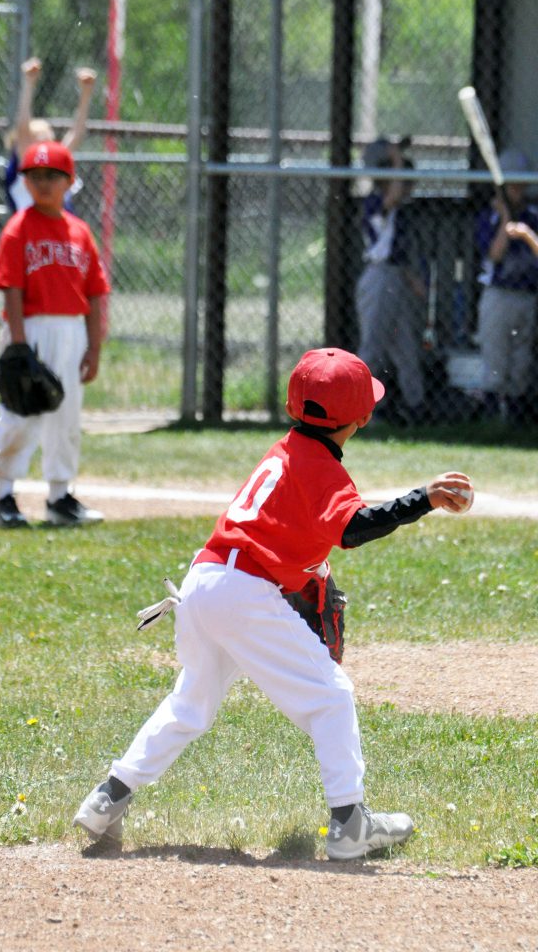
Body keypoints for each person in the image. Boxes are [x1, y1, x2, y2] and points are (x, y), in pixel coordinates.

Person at [73, 347, 472, 860]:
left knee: (190, 704)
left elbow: (286, 531)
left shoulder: (283, 451)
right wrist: (424, 499)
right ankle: (350, 822)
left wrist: (307, 571)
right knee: (332, 697)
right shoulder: (321, 468)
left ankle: (108, 797)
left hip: (203, 581)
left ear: (292, 404)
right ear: (363, 417)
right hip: (243, 594)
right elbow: (353, 528)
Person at [0, 140, 110, 527]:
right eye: (35, 176)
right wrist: (19, 342)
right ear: (24, 182)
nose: (43, 183)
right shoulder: (18, 228)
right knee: (20, 412)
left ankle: (60, 497)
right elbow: (12, 288)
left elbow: (95, 293)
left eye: (52, 176)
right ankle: (3, 497)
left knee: (66, 417)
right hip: (32, 328)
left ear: (69, 182)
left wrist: (94, 348)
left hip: (72, 331)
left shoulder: (80, 232)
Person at [355, 136, 427, 425]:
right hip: (378, 278)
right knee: (372, 348)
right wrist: (396, 158)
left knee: (407, 348)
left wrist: (412, 280)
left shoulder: (399, 210)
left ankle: (416, 407)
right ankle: (360, 412)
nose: (407, 186)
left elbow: (398, 253)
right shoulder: (376, 202)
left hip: (395, 278)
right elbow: (393, 196)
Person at [475, 148, 538, 422]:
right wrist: (504, 219)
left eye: (521, 185)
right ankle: (491, 419)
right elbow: (495, 254)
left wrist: (525, 233)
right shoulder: (488, 218)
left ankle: (514, 419)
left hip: (527, 295)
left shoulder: (533, 216)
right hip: (498, 296)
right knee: (496, 358)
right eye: (513, 185)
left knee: (521, 360)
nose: (518, 190)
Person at [4, 56, 97, 214]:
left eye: (48, 137)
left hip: (58, 233)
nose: (45, 143)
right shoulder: (25, 163)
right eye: (38, 137)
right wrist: (29, 82)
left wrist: (86, 93)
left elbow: (77, 133)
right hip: (33, 233)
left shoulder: (56, 163)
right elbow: (23, 129)